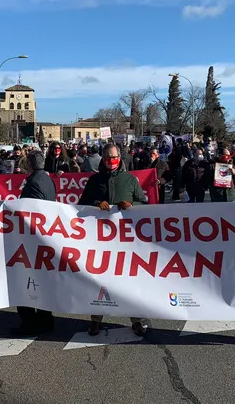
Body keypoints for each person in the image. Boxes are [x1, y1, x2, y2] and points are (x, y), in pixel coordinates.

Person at [79, 144, 148, 337]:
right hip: (101, 240)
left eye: (115, 157)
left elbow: (144, 203)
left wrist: (132, 205)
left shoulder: (130, 180)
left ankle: (136, 320)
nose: (111, 161)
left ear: (120, 158)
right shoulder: (94, 180)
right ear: (103, 158)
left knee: (129, 282)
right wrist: (95, 204)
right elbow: (81, 204)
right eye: (108, 157)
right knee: (100, 281)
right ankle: (96, 320)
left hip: (126, 240)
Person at [13, 151, 57, 335]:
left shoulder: (34, 183)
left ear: (30, 165)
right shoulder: (47, 180)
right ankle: (45, 319)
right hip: (44, 236)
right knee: (42, 282)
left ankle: (30, 323)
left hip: (32, 238)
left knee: (26, 282)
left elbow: (28, 210)